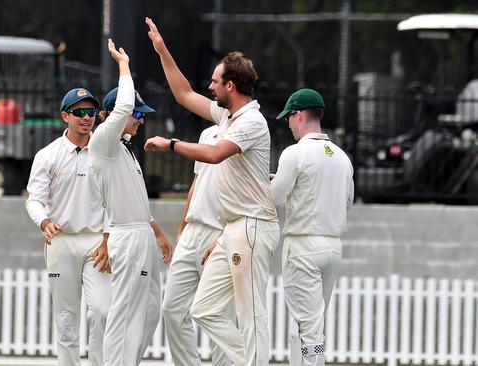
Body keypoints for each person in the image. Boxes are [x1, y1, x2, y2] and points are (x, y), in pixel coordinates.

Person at [144, 17, 279, 366]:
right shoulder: (228, 116)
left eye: (216, 81)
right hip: (232, 228)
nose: (210, 86)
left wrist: (171, 143)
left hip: (251, 225)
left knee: (250, 315)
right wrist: (162, 50)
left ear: (231, 85)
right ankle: (250, 361)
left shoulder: (250, 121)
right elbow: (183, 93)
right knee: (203, 310)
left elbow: (215, 154)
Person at [88, 38, 173, 366]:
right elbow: (122, 107)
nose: (139, 119)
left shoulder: (124, 149)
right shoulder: (103, 143)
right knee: (125, 317)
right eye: (137, 114)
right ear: (109, 117)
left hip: (141, 234)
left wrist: (158, 232)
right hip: (127, 238)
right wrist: (123, 66)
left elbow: (135, 201)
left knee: (150, 311)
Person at [25, 87, 111, 365]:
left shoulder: (106, 152)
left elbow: (115, 199)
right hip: (61, 242)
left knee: (102, 312)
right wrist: (44, 221)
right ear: (65, 116)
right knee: (66, 318)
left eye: (91, 113)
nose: (87, 118)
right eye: (79, 113)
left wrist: (108, 240)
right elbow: (34, 200)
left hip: (97, 242)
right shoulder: (48, 155)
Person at [271, 89, 354, 366]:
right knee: (310, 324)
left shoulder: (295, 153)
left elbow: (273, 197)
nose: (288, 124)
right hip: (332, 246)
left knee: (308, 329)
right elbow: (348, 201)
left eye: (289, 118)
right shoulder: (342, 157)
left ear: (300, 115)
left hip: (303, 246)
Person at [162, 124, 232, 366]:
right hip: (193, 230)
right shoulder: (207, 133)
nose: (211, 87)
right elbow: (196, 183)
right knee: (172, 310)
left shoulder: (250, 128)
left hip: (221, 231)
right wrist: (182, 227)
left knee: (218, 314)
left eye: (216, 82)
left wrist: (227, 234)